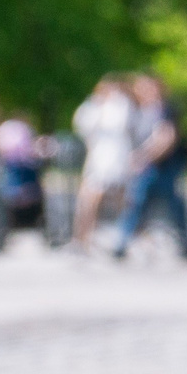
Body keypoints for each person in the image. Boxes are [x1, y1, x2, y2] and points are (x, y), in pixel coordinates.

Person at [111, 75, 187, 261]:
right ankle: (123, 243)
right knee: (140, 204)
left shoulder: (165, 110)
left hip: (161, 166)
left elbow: (167, 138)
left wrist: (144, 157)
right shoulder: (140, 110)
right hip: (146, 166)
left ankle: (186, 242)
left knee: (158, 204)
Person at [72, 75, 137, 248]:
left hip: (116, 157)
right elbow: (83, 127)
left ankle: (124, 236)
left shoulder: (122, 105)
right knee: (90, 197)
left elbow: (123, 125)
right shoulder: (94, 105)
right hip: (99, 157)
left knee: (121, 198)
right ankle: (83, 237)